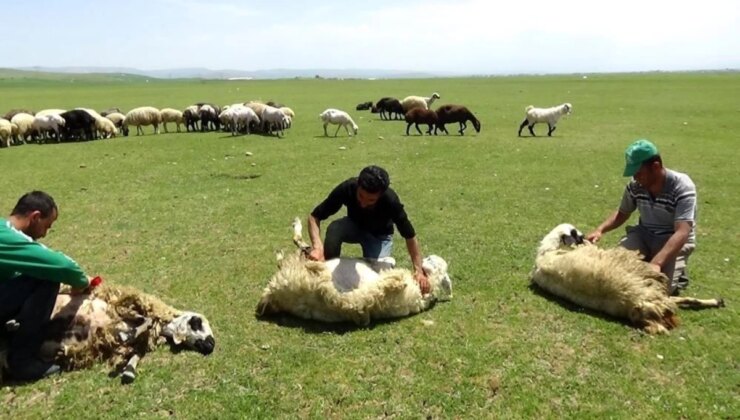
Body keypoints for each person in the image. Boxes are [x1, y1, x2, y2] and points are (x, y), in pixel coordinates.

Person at [0, 191, 91, 381]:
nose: (45, 233)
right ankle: (23, 363)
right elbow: (63, 265)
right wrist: (82, 282)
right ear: (35, 217)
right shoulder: (8, 237)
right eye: (47, 226)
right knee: (46, 278)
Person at [587, 139, 697, 295]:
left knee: (657, 291)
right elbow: (622, 213)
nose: (636, 177)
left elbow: (682, 232)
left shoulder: (682, 186)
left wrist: (657, 263)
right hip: (644, 235)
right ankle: (651, 260)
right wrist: (600, 230)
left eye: (639, 173)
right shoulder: (635, 185)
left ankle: (672, 267)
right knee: (611, 269)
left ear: (656, 167)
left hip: (671, 239)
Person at [307, 165, 430, 294]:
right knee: (335, 229)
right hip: (354, 226)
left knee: (377, 277)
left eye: (371, 200)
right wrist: (317, 246)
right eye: (360, 196)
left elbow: (410, 236)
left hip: (379, 236)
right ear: (358, 185)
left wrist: (418, 270)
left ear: (381, 195)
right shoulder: (348, 188)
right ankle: (326, 269)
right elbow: (314, 217)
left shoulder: (390, 200)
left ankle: (384, 263)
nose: (364, 203)